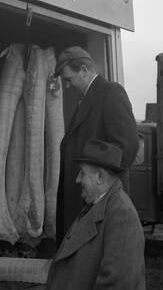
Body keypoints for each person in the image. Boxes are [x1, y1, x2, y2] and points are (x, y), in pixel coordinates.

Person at [54, 46, 139, 244]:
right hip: (84, 197)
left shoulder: (111, 93)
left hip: (97, 201)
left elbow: (127, 145)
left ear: (83, 70)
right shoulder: (85, 100)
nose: (66, 86)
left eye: (68, 79)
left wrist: (101, 187)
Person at [46, 139, 146, 290]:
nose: (78, 179)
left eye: (82, 173)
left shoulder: (122, 216)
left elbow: (116, 289)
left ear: (99, 176)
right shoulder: (98, 203)